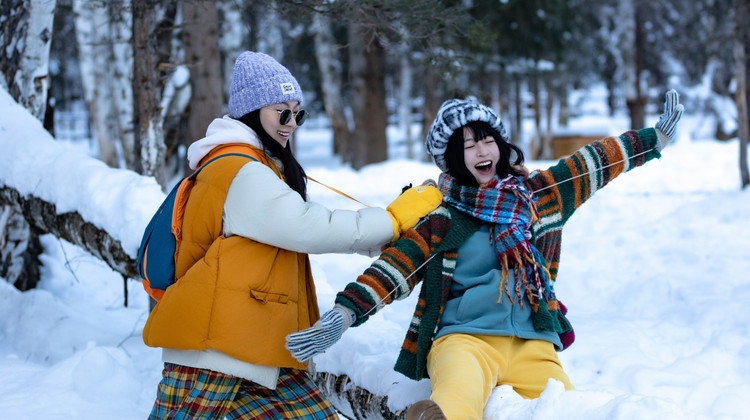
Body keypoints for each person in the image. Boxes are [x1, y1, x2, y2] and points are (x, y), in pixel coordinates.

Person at [286, 91, 684, 420]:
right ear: (453, 159)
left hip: (533, 342)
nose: (481, 150)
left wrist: (654, 140)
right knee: (456, 400)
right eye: (468, 145)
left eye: (487, 139)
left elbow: (590, 163)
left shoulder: (539, 196)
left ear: (500, 144)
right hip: (465, 340)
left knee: (562, 407)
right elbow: (396, 267)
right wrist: (344, 314)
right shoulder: (444, 218)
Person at [142, 51, 442, 419]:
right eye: (282, 112)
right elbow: (309, 227)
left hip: (253, 341)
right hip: (214, 349)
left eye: (298, 113)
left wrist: (392, 232)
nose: (292, 124)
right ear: (251, 112)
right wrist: (394, 219)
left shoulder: (252, 165)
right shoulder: (238, 170)